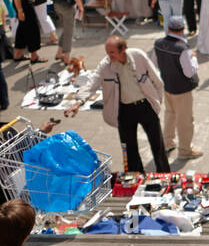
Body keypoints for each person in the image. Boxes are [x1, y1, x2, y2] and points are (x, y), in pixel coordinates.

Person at [66, 34, 170, 173]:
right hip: (124, 110)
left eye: (112, 52)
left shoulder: (138, 56)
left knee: (158, 145)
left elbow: (157, 81)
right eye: (107, 52)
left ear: (123, 50)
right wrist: (79, 102)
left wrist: (157, 102)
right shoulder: (106, 65)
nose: (109, 56)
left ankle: (165, 176)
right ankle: (135, 177)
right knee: (129, 149)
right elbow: (92, 83)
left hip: (146, 106)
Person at [154, 14, 202, 161]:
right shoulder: (182, 48)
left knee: (170, 115)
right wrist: (193, 58)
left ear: (168, 28)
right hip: (182, 90)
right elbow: (189, 72)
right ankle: (185, 150)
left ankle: (167, 143)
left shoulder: (158, 43)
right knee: (185, 121)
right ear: (182, 30)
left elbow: (155, 64)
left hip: (167, 85)